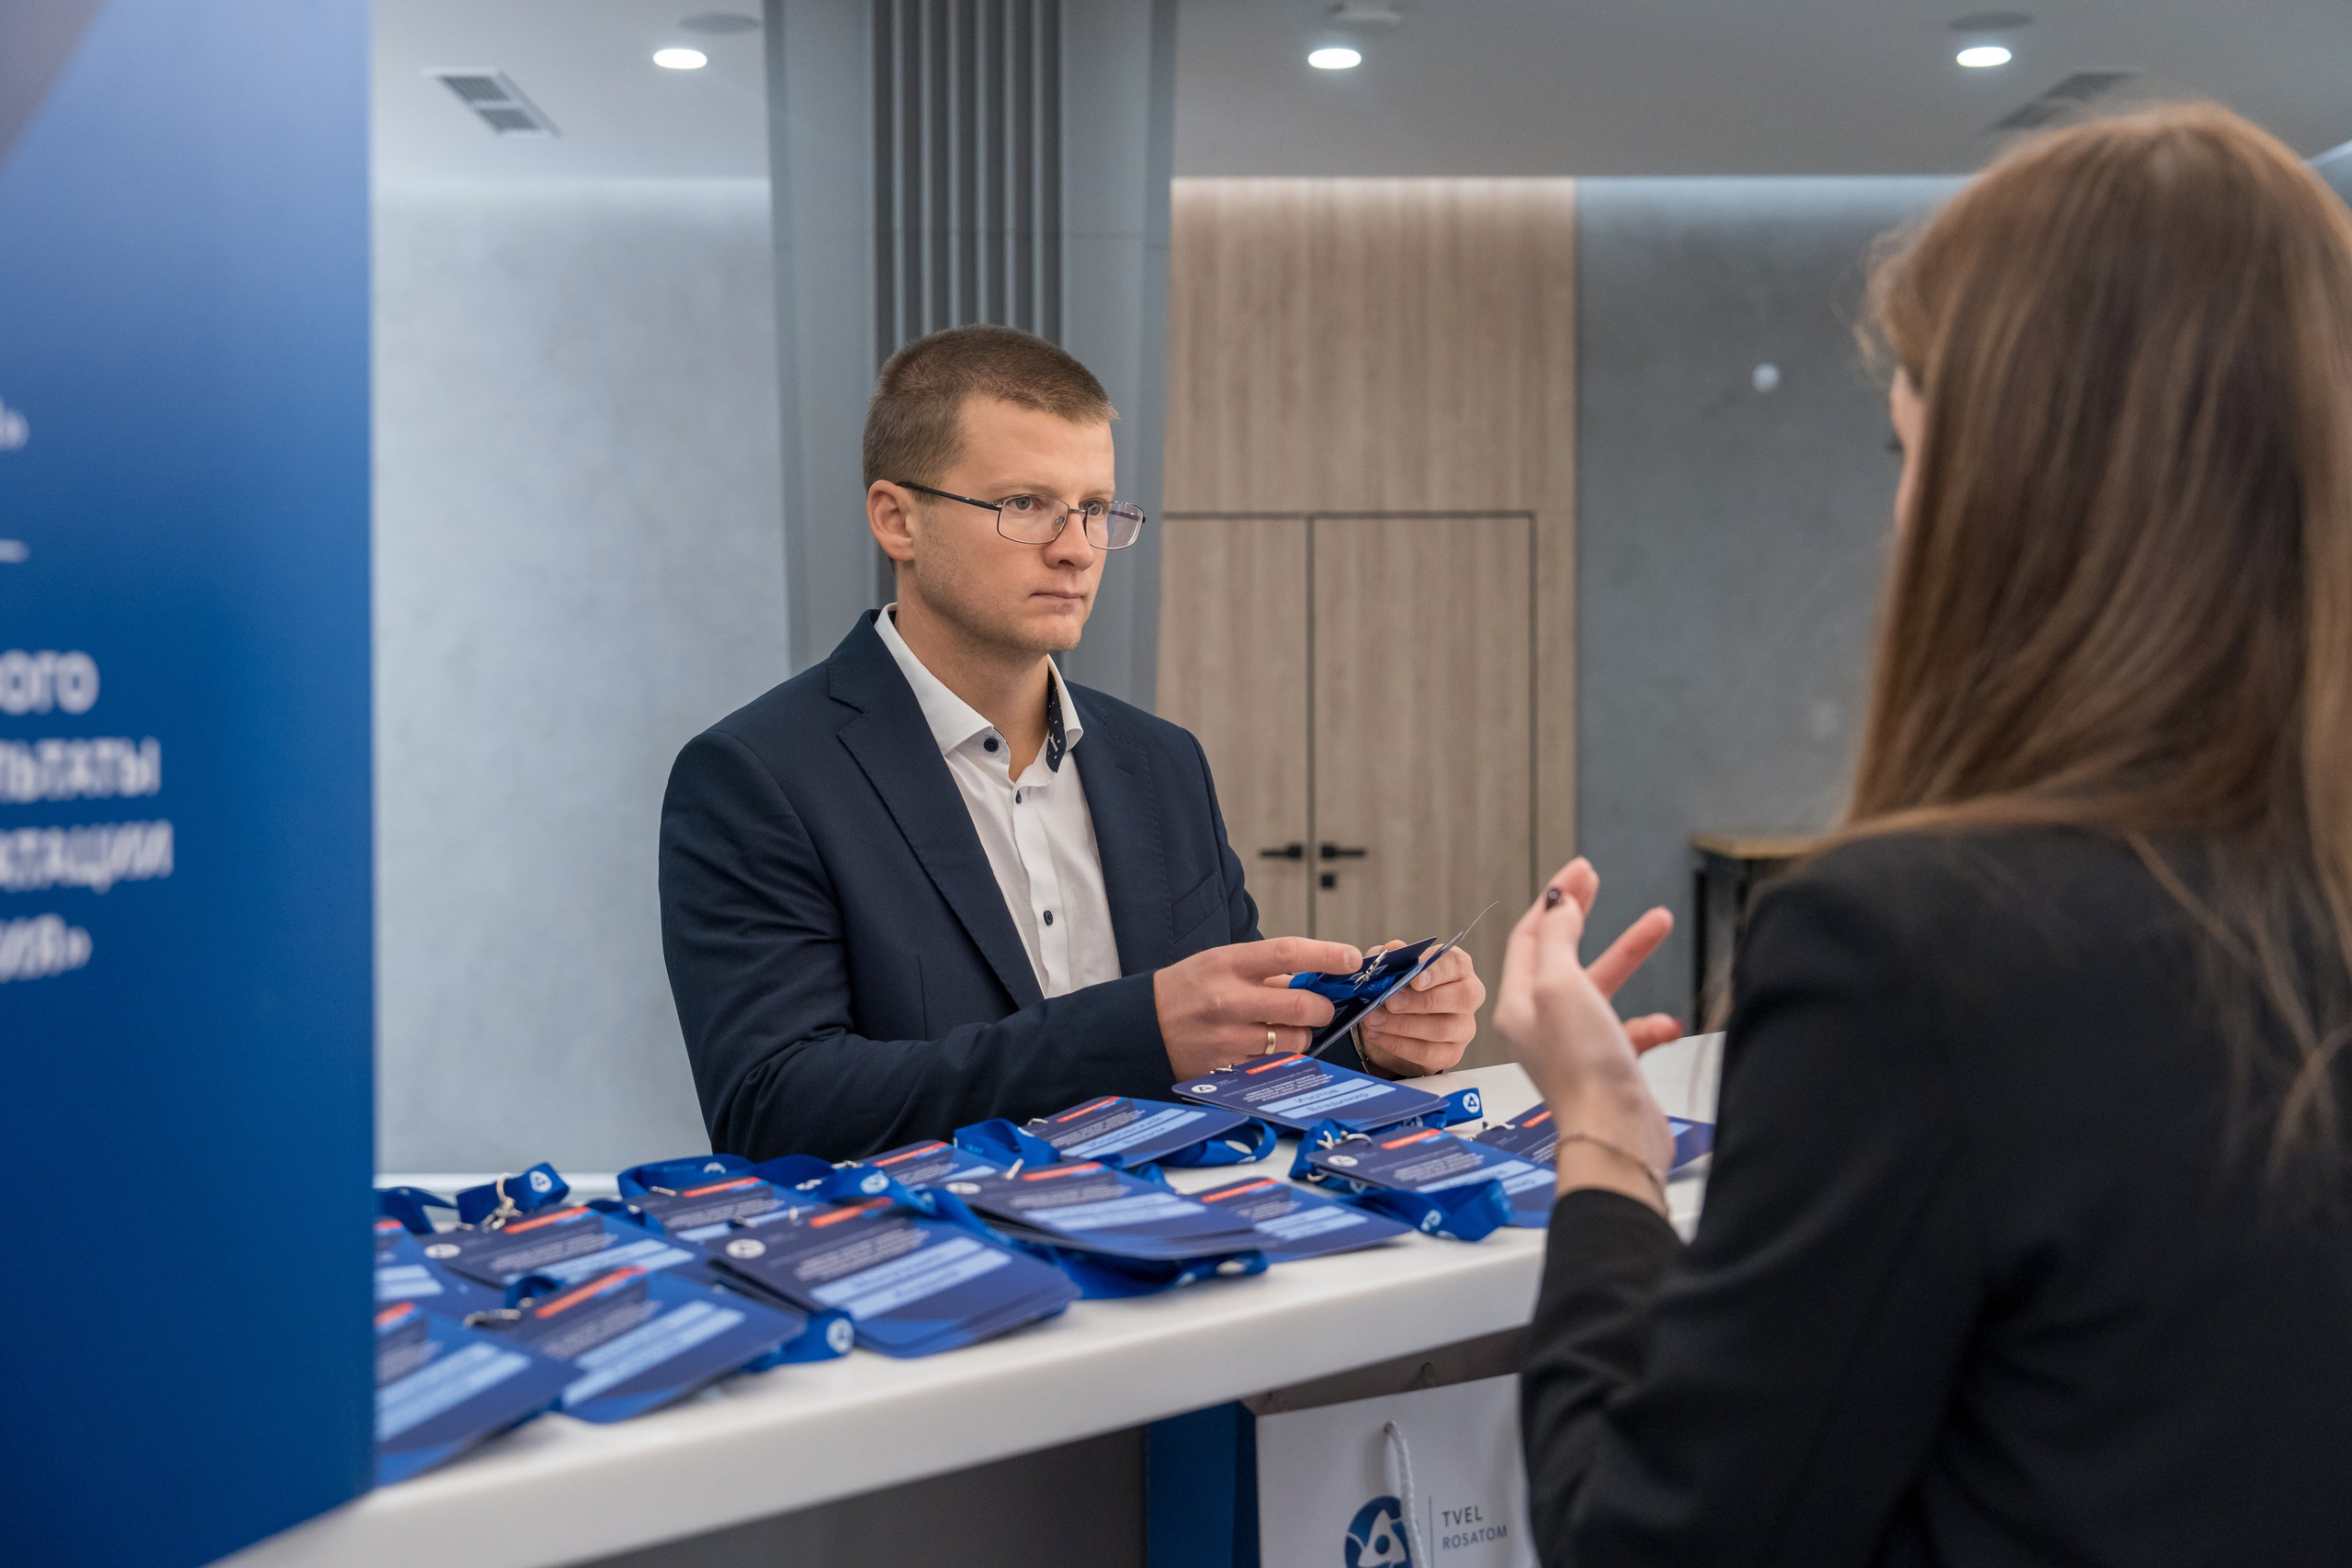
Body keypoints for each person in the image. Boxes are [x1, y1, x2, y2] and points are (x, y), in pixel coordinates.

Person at [1497, 105, 2352, 1566]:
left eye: (1912, 447)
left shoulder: (1914, 945)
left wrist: (1603, 1142)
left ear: (2007, 487)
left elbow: (1652, 1541)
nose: (1904, 516)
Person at [663, 327, 1661, 1161]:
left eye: (1095, 509)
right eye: (1024, 505)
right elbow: (773, 1110)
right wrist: (1133, 1033)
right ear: (898, 519)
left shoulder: (1160, 762)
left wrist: (1367, 1042)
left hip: (1193, 1278)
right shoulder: (758, 775)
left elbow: (1236, 1051)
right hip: (934, 1321)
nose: (1075, 546)